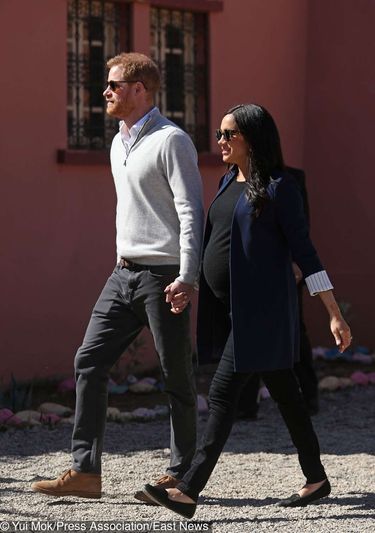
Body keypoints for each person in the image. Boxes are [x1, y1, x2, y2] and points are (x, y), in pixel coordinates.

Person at [143, 103, 352, 518]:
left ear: (252, 139)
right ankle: (317, 478)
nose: (219, 141)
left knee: (222, 394)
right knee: (287, 396)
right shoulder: (226, 182)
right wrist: (189, 283)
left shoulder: (280, 187)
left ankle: (187, 490)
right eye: (219, 134)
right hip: (231, 311)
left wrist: (333, 311)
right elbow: (215, 242)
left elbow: (305, 252)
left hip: (264, 314)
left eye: (228, 134)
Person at [31, 53, 204, 501]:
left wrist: (187, 276)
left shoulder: (172, 141)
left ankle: (181, 474)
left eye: (114, 85)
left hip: (164, 276)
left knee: (176, 376)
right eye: (106, 85)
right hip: (122, 273)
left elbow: (189, 211)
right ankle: (85, 472)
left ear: (140, 89)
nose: (105, 92)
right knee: (88, 360)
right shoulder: (117, 142)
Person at [238, 167, 320, 419]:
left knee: (294, 329)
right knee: (246, 329)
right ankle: (245, 404)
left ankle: (307, 397)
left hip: (284, 270)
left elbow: (299, 227)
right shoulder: (234, 180)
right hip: (249, 270)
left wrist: (297, 263)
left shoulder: (290, 179)